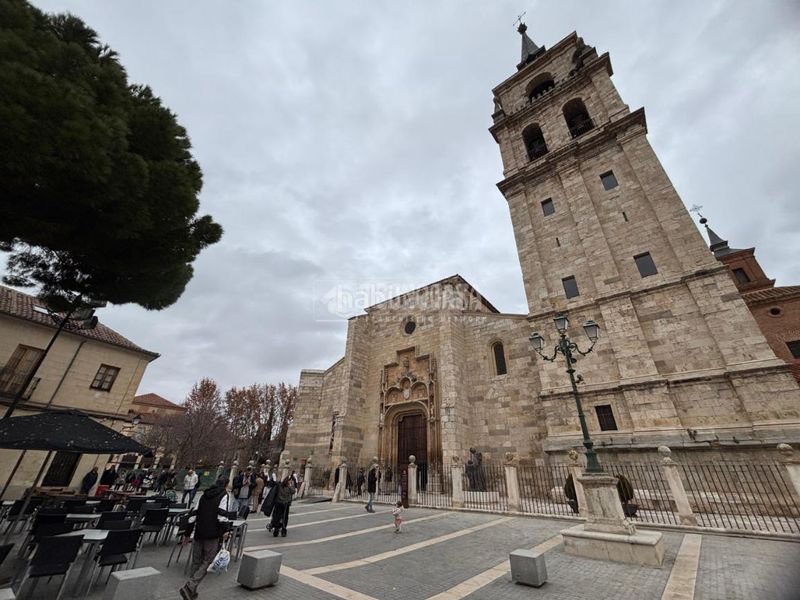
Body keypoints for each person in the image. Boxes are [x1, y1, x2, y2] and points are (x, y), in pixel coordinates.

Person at [179, 478, 234, 600]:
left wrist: (187, 533)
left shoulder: (204, 495)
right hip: (212, 533)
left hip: (199, 532)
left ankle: (191, 591)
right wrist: (226, 530)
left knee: (196, 561)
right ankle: (191, 586)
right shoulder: (223, 495)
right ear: (225, 485)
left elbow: (193, 514)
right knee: (208, 561)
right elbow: (222, 515)